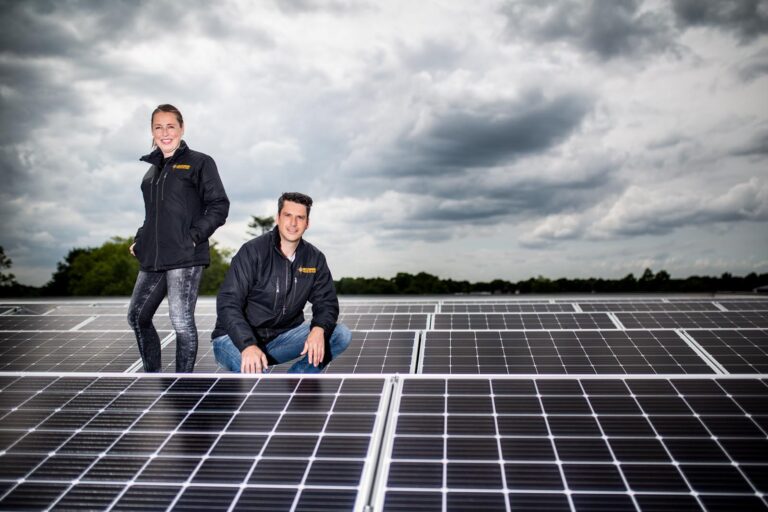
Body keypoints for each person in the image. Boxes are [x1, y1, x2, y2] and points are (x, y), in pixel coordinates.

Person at [127, 104, 229, 372]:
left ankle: (183, 383)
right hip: (154, 257)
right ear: (152, 131)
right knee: (137, 316)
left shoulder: (200, 162)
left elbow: (219, 205)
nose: (165, 132)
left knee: (181, 321)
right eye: (158, 127)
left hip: (185, 256)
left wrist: (193, 237)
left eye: (170, 126)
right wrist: (141, 238)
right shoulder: (151, 173)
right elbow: (153, 216)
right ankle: (152, 375)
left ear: (181, 128)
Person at [212, 192, 351, 373]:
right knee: (253, 372)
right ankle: (256, 365)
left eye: (300, 217)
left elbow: (327, 302)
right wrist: (248, 345)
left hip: (282, 338)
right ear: (278, 218)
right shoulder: (252, 252)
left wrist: (319, 329)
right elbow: (228, 302)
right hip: (234, 340)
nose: (293, 223)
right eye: (288, 216)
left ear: (307, 223)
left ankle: (294, 379)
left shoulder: (314, 258)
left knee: (340, 335)